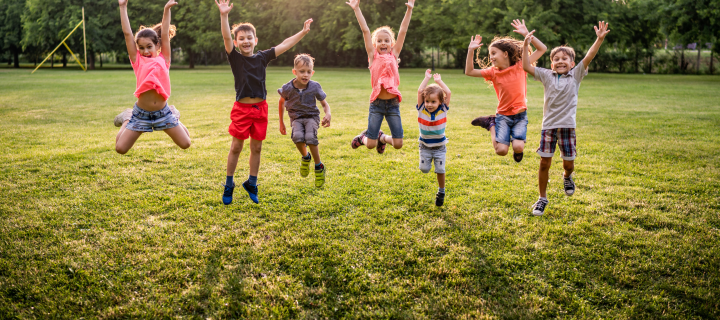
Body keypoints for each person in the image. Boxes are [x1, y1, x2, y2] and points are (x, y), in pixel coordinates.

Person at [215, 0, 313, 204]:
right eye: (241, 39)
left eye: (249, 38)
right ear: (236, 42)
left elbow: (285, 44)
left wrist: (302, 32)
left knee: (256, 148)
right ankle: (229, 183)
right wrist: (224, 15)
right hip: (242, 109)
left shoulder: (262, 57)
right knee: (236, 147)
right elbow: (225, 35)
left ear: (255, 40)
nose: (245, 41)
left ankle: (252, 182)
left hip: (261, 109)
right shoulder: (235, 57)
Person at [522, 22, 610, 216]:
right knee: (544, 163)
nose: (560, 61)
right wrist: (526, 41)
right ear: (552, 64)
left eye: (565, 58)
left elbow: (589, 56)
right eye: (556, 59)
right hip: (549, 127)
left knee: (568, 164)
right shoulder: (546, 75)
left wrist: (599, 39)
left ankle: (567, 176)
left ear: (572, 63)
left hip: (568, 127)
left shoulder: (576, 75)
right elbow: (525, 65)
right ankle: (542, 198)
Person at [113, 0, 191, 155]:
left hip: (163, 112)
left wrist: (166, 9)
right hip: (141, 114)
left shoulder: (164, 59)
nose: (145, 51)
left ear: (157, 46)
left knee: (186, 143)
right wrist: (122, 7)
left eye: (149, 47)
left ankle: (174, 114)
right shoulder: (137, 61)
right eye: (141, 48)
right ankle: (127, 117)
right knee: (120, 148)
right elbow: (128, 33)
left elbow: (164, 34)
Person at [465, 20, 547, 162]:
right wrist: (470, 50)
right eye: (490, 54)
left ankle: (516, 149)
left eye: (494, 53)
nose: (491, 57)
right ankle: (491, 123)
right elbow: (469, 71)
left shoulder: (522, 66)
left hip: (520, 116)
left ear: (505, 54)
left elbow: (542, 49)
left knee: (518, 147)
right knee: (501, 151)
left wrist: (527, 34)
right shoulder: (493, 72)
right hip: (503, 116)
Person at [347, 0, 416, 154]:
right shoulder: (373, 57)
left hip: (393, 105)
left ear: (391, 43)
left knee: (398, 144)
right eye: (379, 41)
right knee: (370, 144)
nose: (383, 43)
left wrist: (409, 10)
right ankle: (361, 139)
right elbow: (365, 30)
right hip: (377, 105)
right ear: (374, 44)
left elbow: (403, 31)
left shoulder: (394, 54)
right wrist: (357, 9)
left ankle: (382, 138)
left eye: (386, 40)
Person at [278, 54, 332, 187]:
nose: (305, 75)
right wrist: (281, 122)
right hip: (296, 117)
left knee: (310, 137)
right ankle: (306, 157)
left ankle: (319, 166)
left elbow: (324, 103)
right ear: (294, 72)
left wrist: (328, 113)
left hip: (311, 116)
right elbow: (281, 103)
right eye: (302, 71)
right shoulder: (287, 88)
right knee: (297, 137)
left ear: (312, 72)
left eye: (308, 72)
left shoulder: (314, 86)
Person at [415, 69, 451, 206]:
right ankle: (427, 161)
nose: (429, 104)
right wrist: (426, 78)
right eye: (427, 101)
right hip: (425, 146)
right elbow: (419, 92)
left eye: (433, 102)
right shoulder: (421, 109)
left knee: (440, 170)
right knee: (424, 169)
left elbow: (448, 93)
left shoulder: (443, 109)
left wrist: (438, 81)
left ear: (440, 102)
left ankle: (441, 192)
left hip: (440, 147)